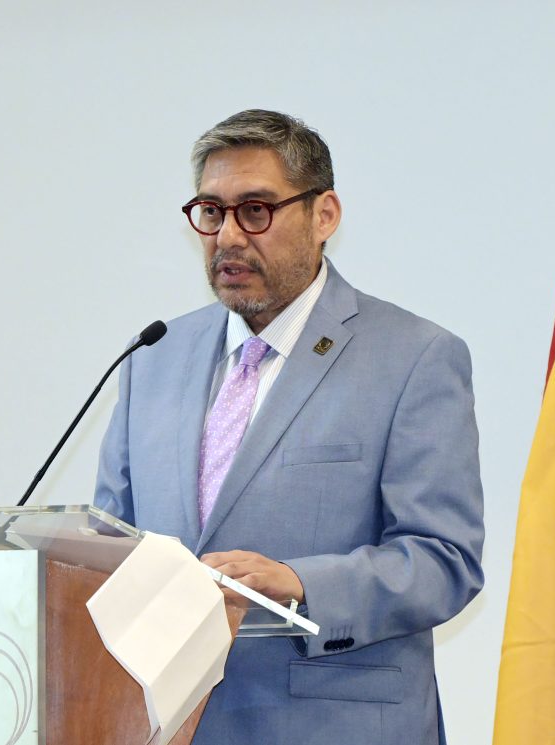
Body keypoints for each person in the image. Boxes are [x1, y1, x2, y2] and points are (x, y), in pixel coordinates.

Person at [94, 109, 484, 744]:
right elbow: (107, 546)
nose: (227, 236)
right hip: (171, 726)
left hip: (332, 723)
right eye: (211, 212)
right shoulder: (154, 357)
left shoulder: (414, 357)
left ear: (323, 215)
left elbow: (445, 560)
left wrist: (301, 581)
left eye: (255, 210)